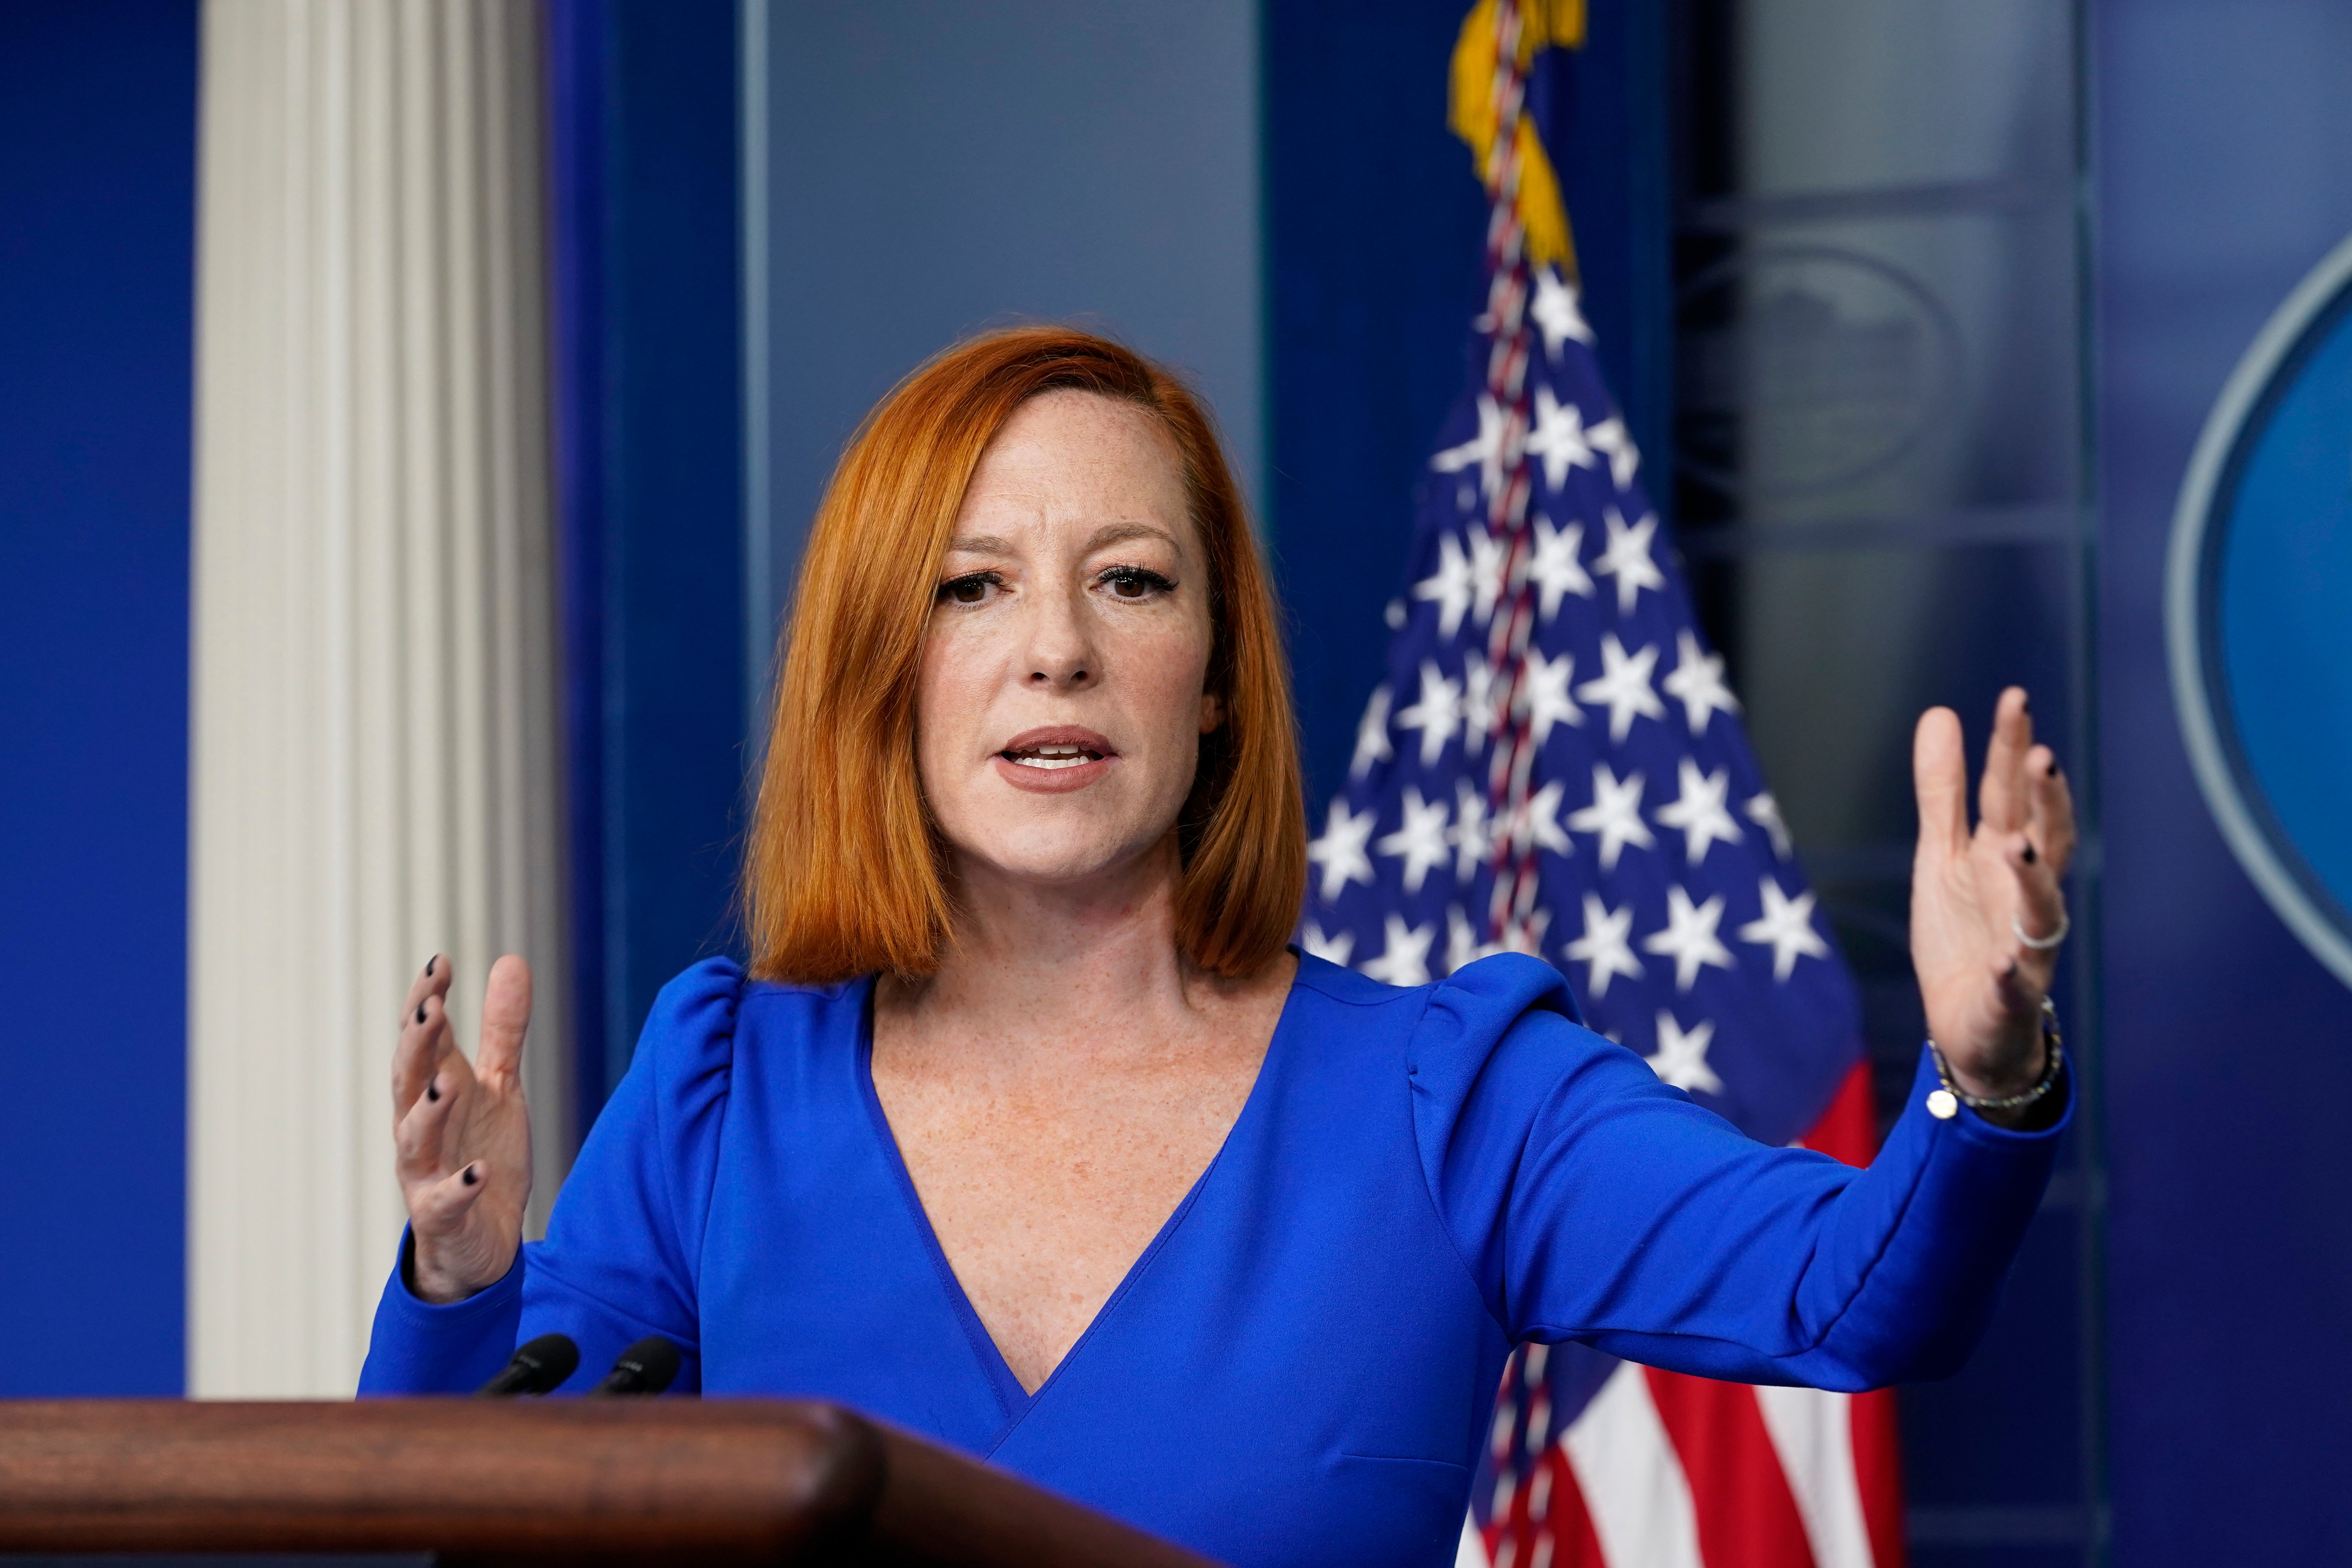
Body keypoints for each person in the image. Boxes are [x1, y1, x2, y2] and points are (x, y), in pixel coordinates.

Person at [360, 327, 2075, 1567]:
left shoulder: (1450, 1096)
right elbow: (468, 1517)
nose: (1053, 652)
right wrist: (459, 1271)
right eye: (970, 587)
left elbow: (1850, 1293)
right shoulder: (721, 1087)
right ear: (880, 672)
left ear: (1219, 676)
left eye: (1128, 580)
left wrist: (1984, 1076)